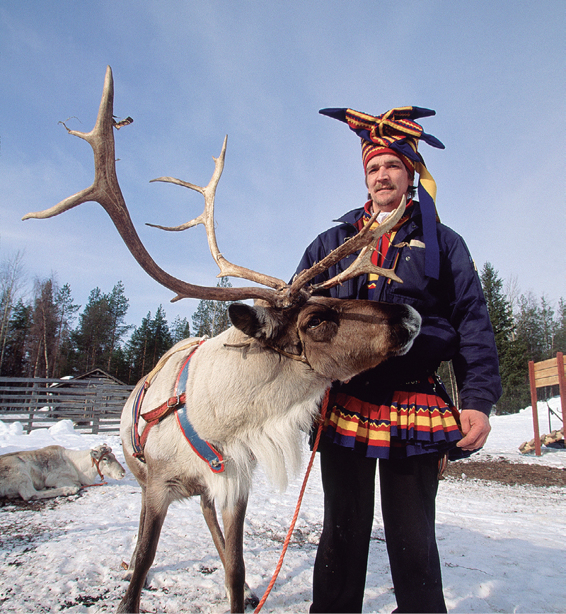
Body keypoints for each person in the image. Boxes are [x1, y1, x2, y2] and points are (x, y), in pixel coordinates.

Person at [295, 106, 502, 613]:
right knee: (341, 533)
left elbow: (472, 320)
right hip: (343, 402)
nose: (381, 175)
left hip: (414, 403)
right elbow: (295, 320)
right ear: (364, 178)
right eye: (372, 167)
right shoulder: (332, 245)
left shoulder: (443, 243)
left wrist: (476, 399)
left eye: (391, 165)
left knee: (413, 540)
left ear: (410, 173)